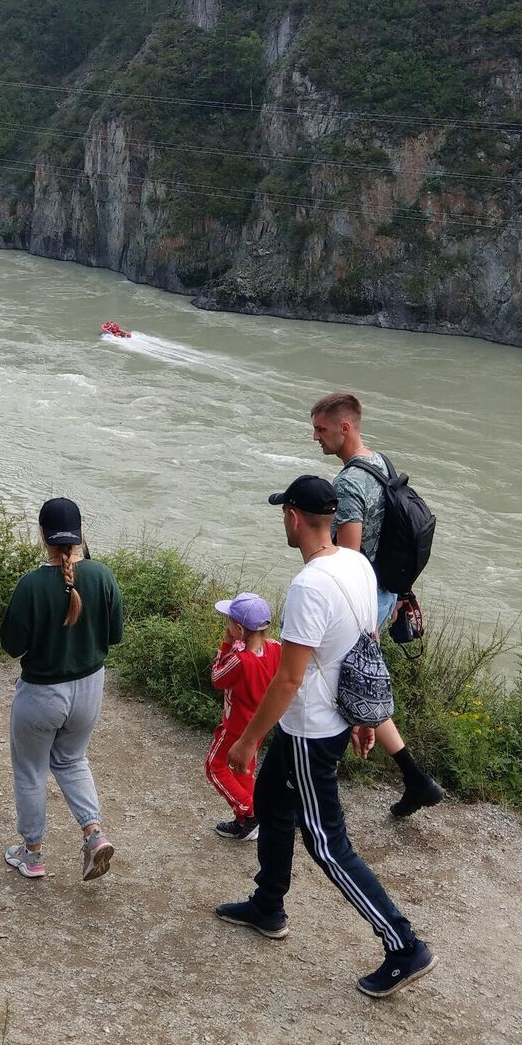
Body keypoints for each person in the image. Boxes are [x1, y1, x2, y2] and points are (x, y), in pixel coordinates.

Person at [216, 475, 437, 999]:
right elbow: (364, 643)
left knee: (326, 842)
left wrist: (247, 741)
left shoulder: (308, 586)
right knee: (272, 802)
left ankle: (403, 944)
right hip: (321, 721)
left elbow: (289, 678)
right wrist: (363, 716)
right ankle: (267, 905)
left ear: (293, 517)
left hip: (311, 730)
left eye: (282, 514)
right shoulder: (357, 563)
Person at [310, 391, 446, 818]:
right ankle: (416, 779)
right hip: (387, 591)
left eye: (321, 429)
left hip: (361, 597)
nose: (315, 437)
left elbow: (347, 557)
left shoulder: (348, 483)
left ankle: (314, 777)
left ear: (344, 428)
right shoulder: (381, 462)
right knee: (358, 684)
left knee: (331, 679)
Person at [0, 498, 122, 883]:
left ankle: (32, 854)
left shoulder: (32, 584)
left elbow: (11, 645)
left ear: (42, 536)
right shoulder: (103, 576)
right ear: (82, 534)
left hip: (42, 694)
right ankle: (94, 834)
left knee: (32, 770)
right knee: (72, 759)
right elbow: (114, 636)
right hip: (89, 689)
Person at [206, 592, 280, 841]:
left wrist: (225, 645)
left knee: (214, 767)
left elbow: (217, 678)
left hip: (235, 726)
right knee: (243, 770)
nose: (227, 627)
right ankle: (247, 820)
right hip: (258, 725)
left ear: (239, 629)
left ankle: (249, 812)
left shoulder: (239, 660)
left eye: (229, 623)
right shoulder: (275, 650)